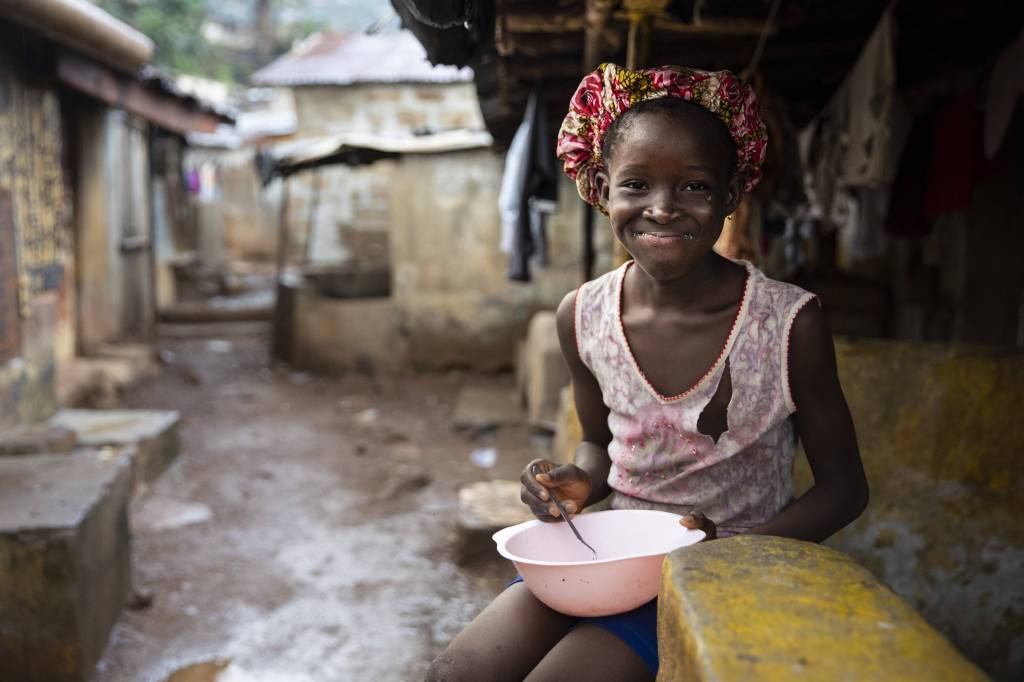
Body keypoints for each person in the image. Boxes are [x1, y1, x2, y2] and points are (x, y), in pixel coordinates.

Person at [427, 64, 868, 682]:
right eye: (636, 184)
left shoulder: (788, 324)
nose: (661, 209)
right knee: (456, 673)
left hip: (726, 571)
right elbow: (599, 446)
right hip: (607, 557)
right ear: (603, 188)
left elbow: (844, 490)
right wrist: (578, 480)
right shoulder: (581, 317)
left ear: (732, 194)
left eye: (693, 187)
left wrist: (725, 552)